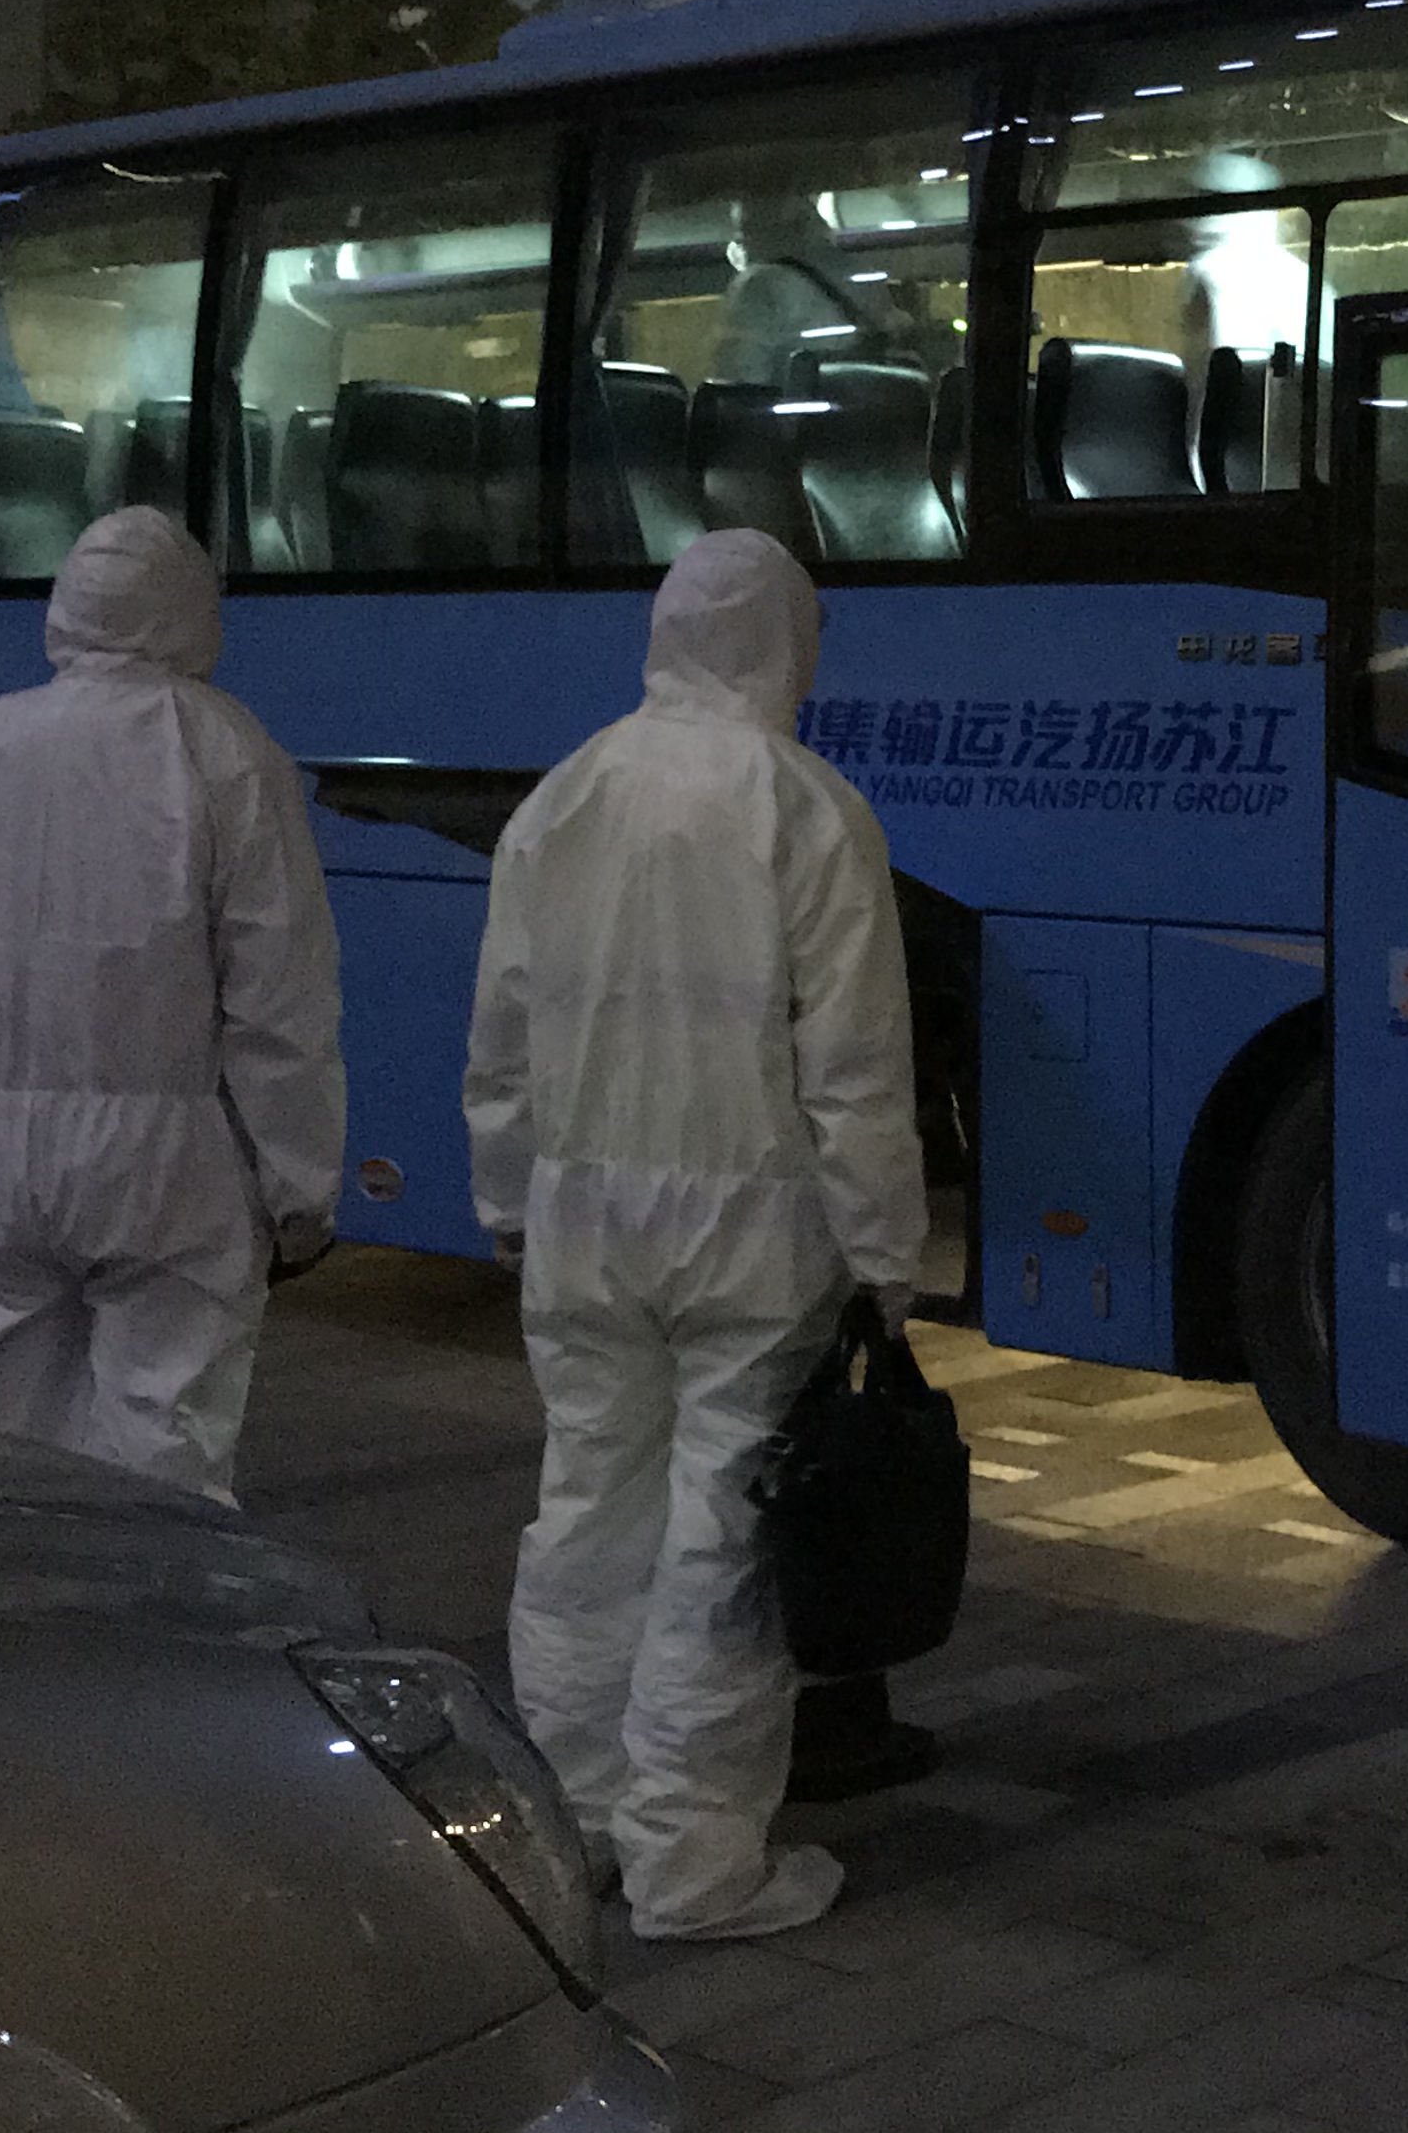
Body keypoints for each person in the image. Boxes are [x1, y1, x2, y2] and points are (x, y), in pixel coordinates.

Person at [467, 529, 928, 1942]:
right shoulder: (809, 807)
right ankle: (695, 1862)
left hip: (581, 1218)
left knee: (584, 1513)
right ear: (784, 640)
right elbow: (852, 1064)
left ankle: (578, 1825)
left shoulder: (564, 797)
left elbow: (505, 1037)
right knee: (722, 1533)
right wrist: (885, 1253)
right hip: (751, 1226)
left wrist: (507, 1202)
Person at [0, 506, 344, 1502]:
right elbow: (277, 997)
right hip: (166, 1164)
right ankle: (146, 1604)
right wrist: (299, 1190)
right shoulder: (224, 750)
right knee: (162, 1450)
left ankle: (2, 1596)